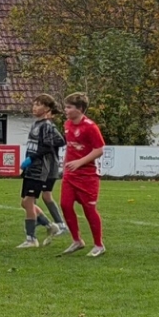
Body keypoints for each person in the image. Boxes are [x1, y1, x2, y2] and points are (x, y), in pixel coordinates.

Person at [59, 92, 106, 257]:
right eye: (65, 107)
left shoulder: (90, 127)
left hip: (87, 175)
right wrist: (66, 163)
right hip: (70, 175)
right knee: (65, 205)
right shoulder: (67, 124)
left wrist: (79, 162)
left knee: (89, 209)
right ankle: (77, 240)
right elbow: (70, 147)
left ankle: (99, 245)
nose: (65, 110)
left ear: (79, 109)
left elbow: (99, 150)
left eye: (69, 107)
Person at [18, 95, 65, 248]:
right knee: (25, 203)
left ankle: (31, 239)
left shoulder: (47, 125)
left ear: (47, 108)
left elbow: (50, 145)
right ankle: (50, 226)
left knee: (29, 202)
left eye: (38, 104)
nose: (34, 107)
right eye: (34, 104)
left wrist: (31, 159)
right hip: (32, 168)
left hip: (39, 169)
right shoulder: (36, 124)